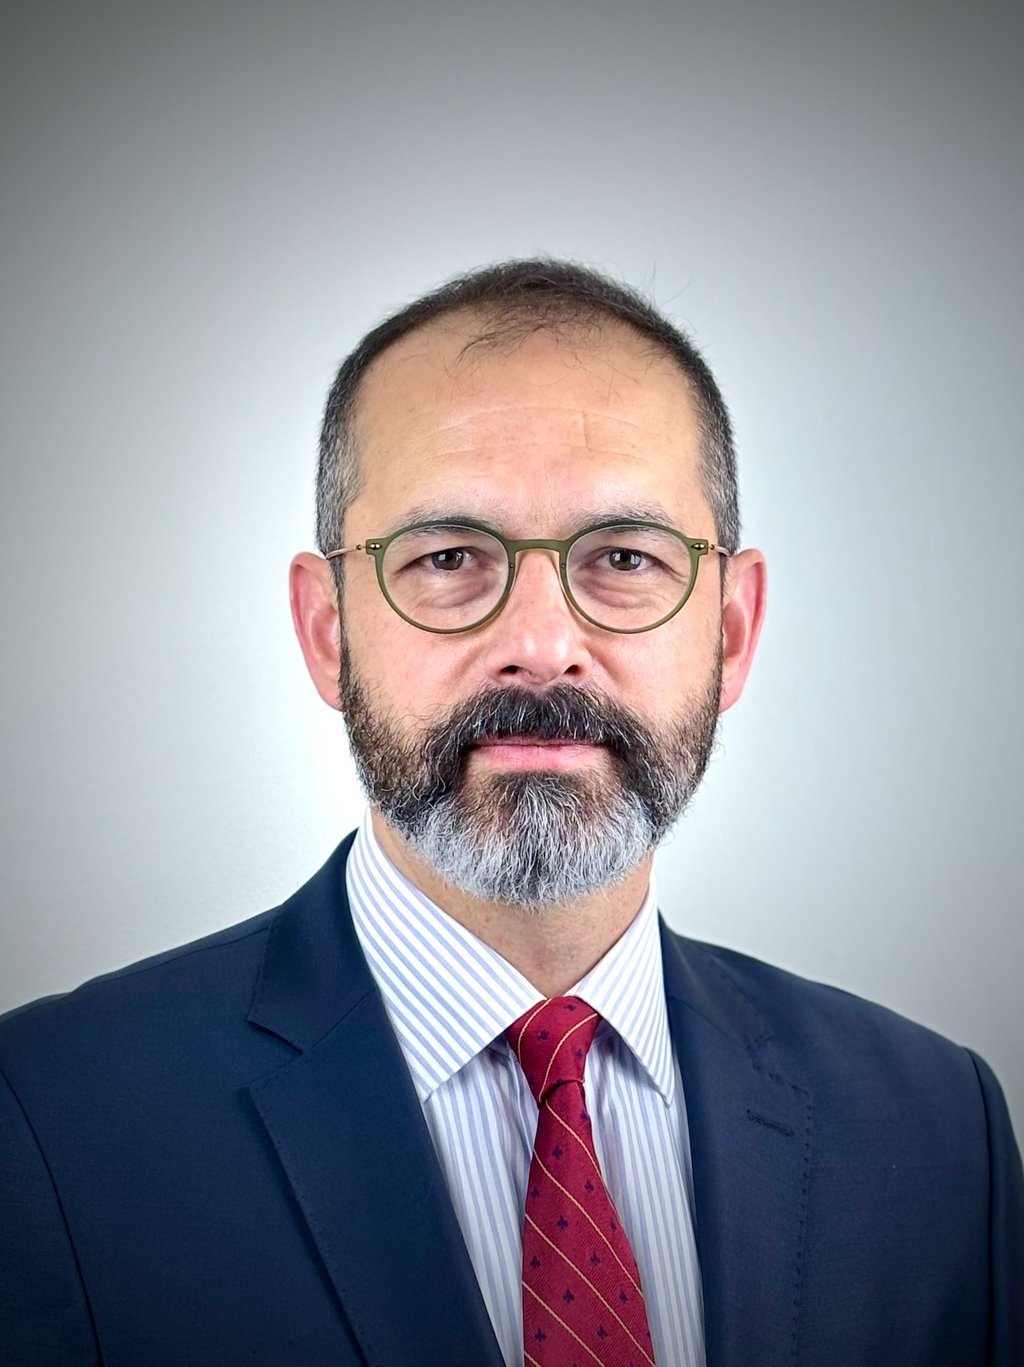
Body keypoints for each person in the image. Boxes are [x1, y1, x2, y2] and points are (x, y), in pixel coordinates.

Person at [0, 260, 1020, 1367]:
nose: (540, 640)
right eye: (447, 558)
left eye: (623, 558)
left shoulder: (937, 1128)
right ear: (327, 629)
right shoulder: (48, 1123)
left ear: (729, 630)